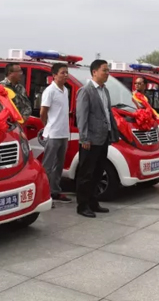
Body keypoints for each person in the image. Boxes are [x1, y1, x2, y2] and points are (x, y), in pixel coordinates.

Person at [75, 59, 119, 218]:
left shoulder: (105, 91)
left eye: (108, 71)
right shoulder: (85, 91)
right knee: (86, 173)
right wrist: (84, 138)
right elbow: (82, 117)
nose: (107, 73)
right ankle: (82, 205)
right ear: (94, 72)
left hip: (103, 138)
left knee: (98, 172)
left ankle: (93, 202)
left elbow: (108, 113)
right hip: (90, 140)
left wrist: (112, 132)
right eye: (104, 70)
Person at [40, 63, 72, 205]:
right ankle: (43, 195)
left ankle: (55, 191)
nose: (66, 75)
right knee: (47, 166)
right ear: (54, 75)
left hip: (63, 133)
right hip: (52, 134)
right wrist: (47, 125)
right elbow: (43, 112)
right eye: (63, 72)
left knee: (59, 166)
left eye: (66, 72)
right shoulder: (50, 91)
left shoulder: (65, 90)